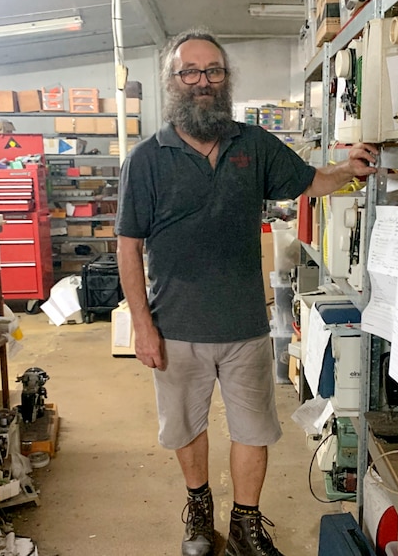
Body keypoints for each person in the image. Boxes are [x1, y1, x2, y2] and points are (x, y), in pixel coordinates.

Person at [116, 28, 378, 556]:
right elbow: (127, 247)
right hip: (176, 328)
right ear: (173, 82)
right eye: (189, 72)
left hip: (244, 327)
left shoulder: (252, 144)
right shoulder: (146, 158)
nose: (202, 82)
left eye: (213, 71)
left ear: (226, 78)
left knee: (253, 430)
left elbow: (309, 182)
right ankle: (199, 512)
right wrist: (142, 326)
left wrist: (347, 172)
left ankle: (245, 523)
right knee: (186, 429)